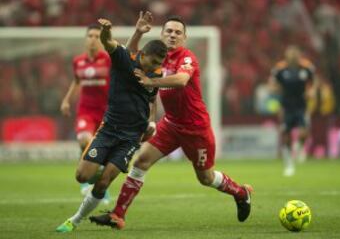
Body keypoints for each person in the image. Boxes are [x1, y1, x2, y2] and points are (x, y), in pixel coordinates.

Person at [89, 12, 253, 230]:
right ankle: (117, 215)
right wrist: (138, 33)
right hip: (171, 124)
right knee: (140, 162)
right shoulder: (157, 58)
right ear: (162, 34)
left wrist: (151, 81)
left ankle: (241, 193)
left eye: (177, 32)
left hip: (196, 128)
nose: (173, 35)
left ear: (184, 37)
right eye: (169, 31)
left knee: (205, 177)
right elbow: (131, 59)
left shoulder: (187, 57)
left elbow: (182, 80)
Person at [55, 18, 167, 233]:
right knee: (82, 176)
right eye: (152, 62)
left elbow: (152, 100)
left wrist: (151, 122)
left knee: (104, 181)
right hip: (108, 130)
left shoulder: (157, 74)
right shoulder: (124, 60)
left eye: (158, 64)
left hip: (131, 138)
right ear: (142, 55)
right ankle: (98, 166)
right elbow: (110, 43)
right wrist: (106, 30)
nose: (154, 68)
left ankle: (75, 220)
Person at [60, 24, 111, 202]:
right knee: (83, 140)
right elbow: (76, 81)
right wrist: (67, 100)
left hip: (107, 112)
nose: (93, 40)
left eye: (97, 37)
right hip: (86, 111)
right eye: (90, 36)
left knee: (101, 150)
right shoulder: (78, 61)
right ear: (85, 39)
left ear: (102, 40)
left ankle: (99, 185)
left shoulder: (108, 60)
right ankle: (87, 180)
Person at [268, 45, 316, 176]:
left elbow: (313, 83)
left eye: (295, 54)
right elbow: (271, 84)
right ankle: (289, 165)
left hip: (302, 105)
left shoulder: (307, 67)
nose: (293, 56)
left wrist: (311, 91)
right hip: (286, 106)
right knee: (286, 135)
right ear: (286, 56)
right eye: (290, 54)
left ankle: (299, 147)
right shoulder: (280, 68)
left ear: (299, 55)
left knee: (305, 132)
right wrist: (276, 90)